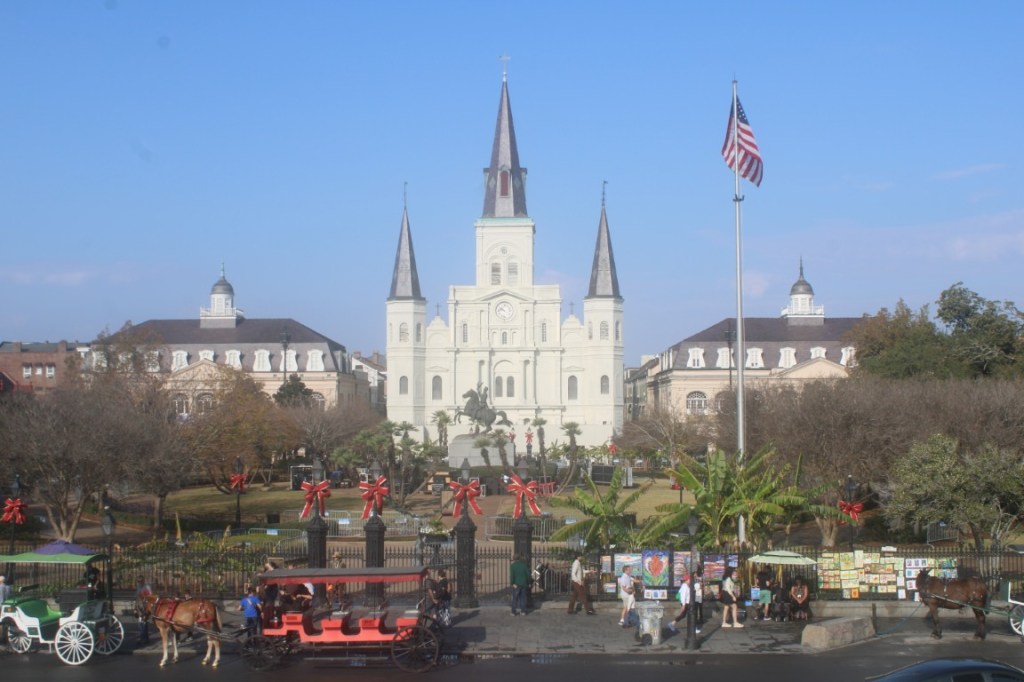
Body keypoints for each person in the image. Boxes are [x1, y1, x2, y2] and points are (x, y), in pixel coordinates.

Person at [135, 576, 153, 646]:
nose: (139, 582)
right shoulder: (138, 587)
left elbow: (150, 596)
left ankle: (143, 638)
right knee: (140, 623)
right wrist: (135, 609)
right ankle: (144, 637)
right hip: (140, 607)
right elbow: (137, 598)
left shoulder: (147, 587)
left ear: (143, 581)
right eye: (138, 581)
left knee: (144, 622)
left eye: (140, 581)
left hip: (145, 607)